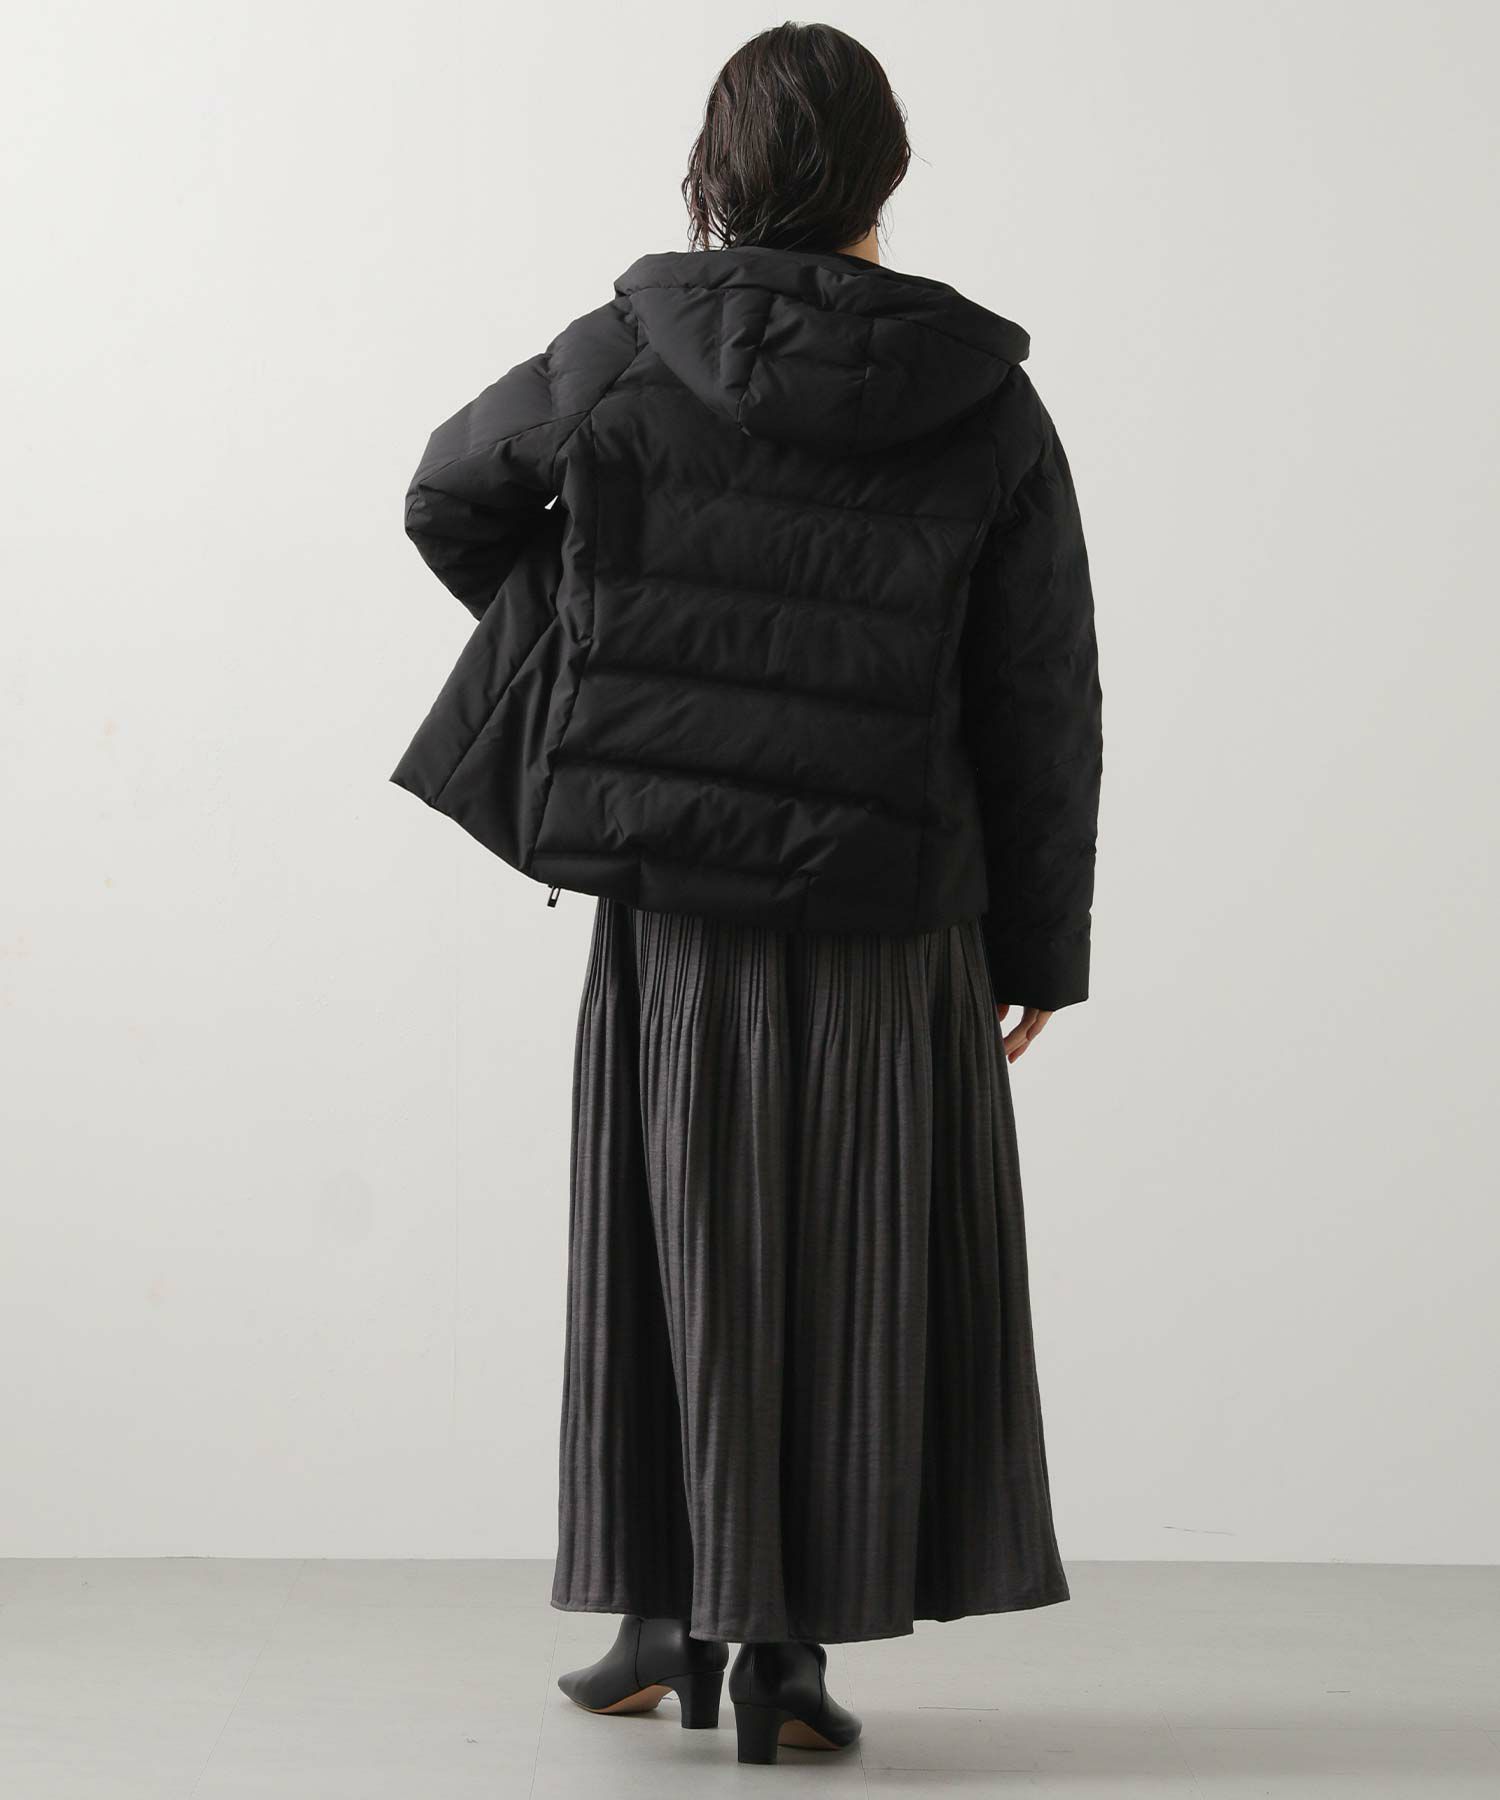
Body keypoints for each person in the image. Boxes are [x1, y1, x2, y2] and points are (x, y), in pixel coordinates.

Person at [394, 20, 1102, 1769]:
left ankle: (660, 1621)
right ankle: (782, 1658)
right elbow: (1038, 692)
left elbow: (449, 493)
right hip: (897, 911)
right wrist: (1040, 948)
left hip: (675, 895)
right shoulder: (985, 396)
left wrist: (606, 638)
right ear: (884, 182)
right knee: (852, 1278)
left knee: (669, 1256)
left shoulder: (626, 351)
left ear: (716, 178)